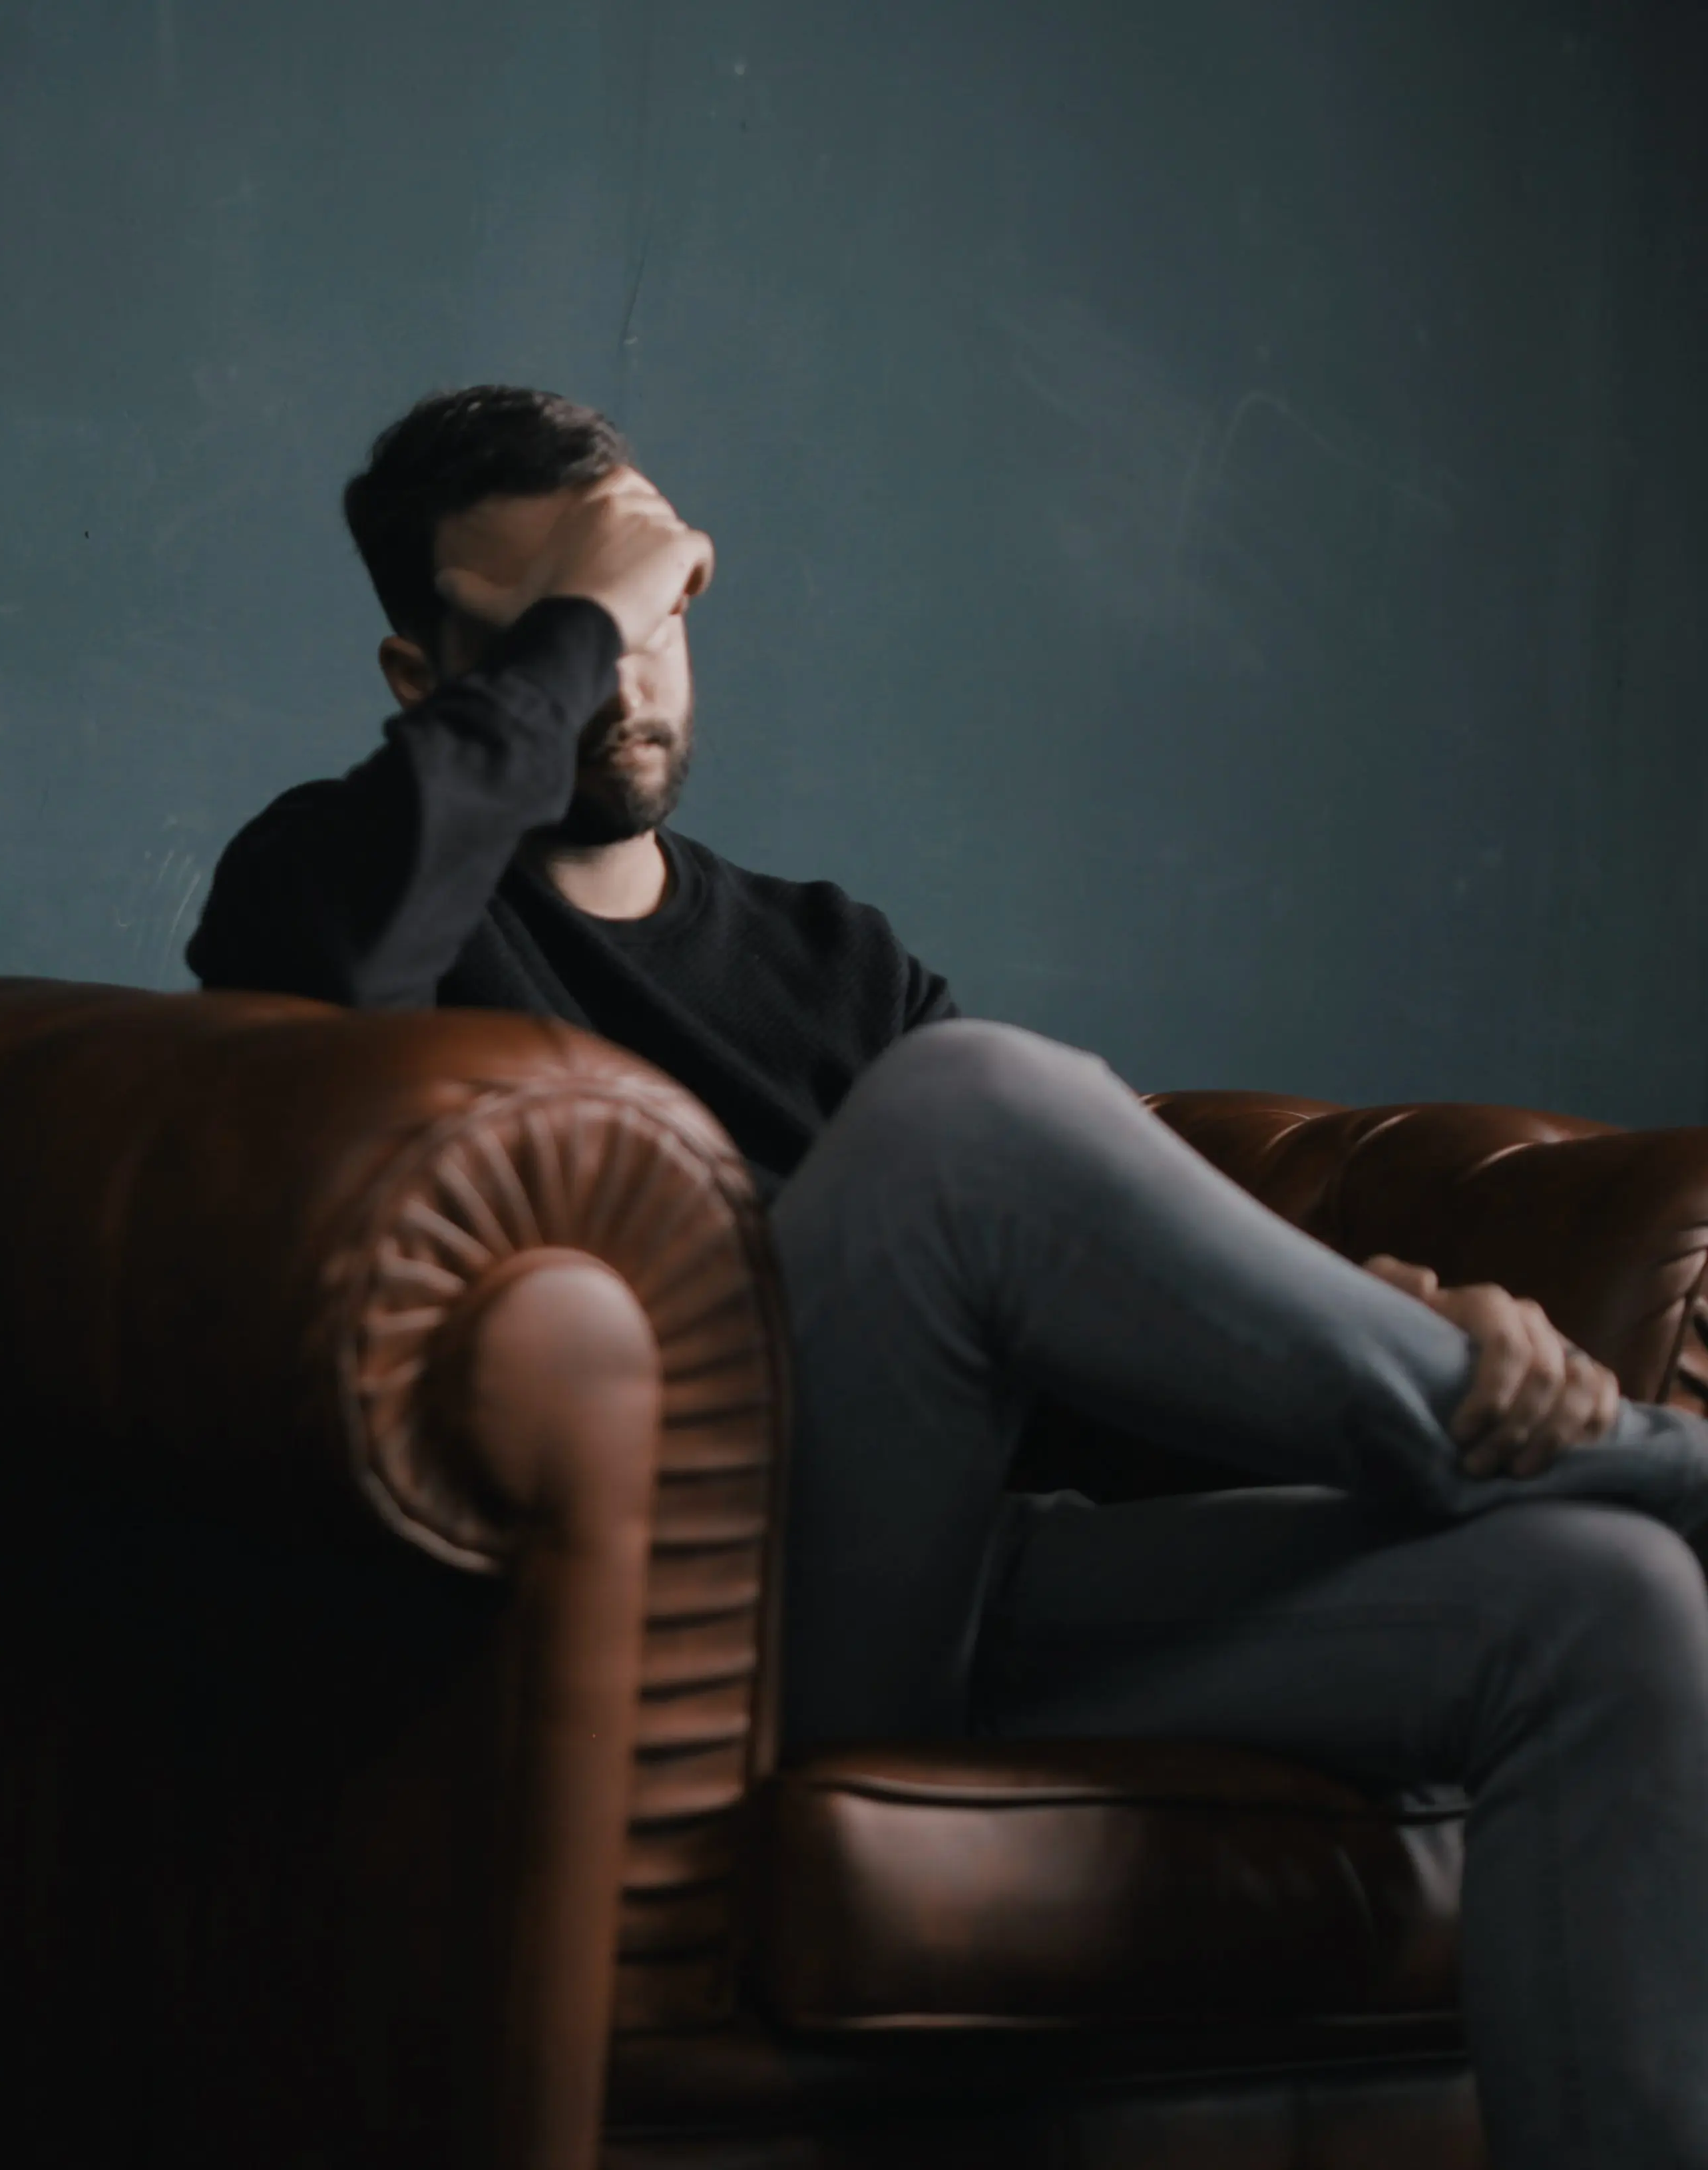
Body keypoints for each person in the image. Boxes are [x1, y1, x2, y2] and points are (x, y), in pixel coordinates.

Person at [188, 385, 1708, 2169]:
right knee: (968, 1107)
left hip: (965, 1592)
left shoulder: (837, 957)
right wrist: (593, 610)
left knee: (1607, 1602)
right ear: (422, 674)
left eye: (657, 606)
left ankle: (1578, 1469)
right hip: (708, 1641)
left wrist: (1372, 1313)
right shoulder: (340, 885)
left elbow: (1057, 1334)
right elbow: (319, 980)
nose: (625, 672)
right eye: (559, 624)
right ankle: (1650, 1458)